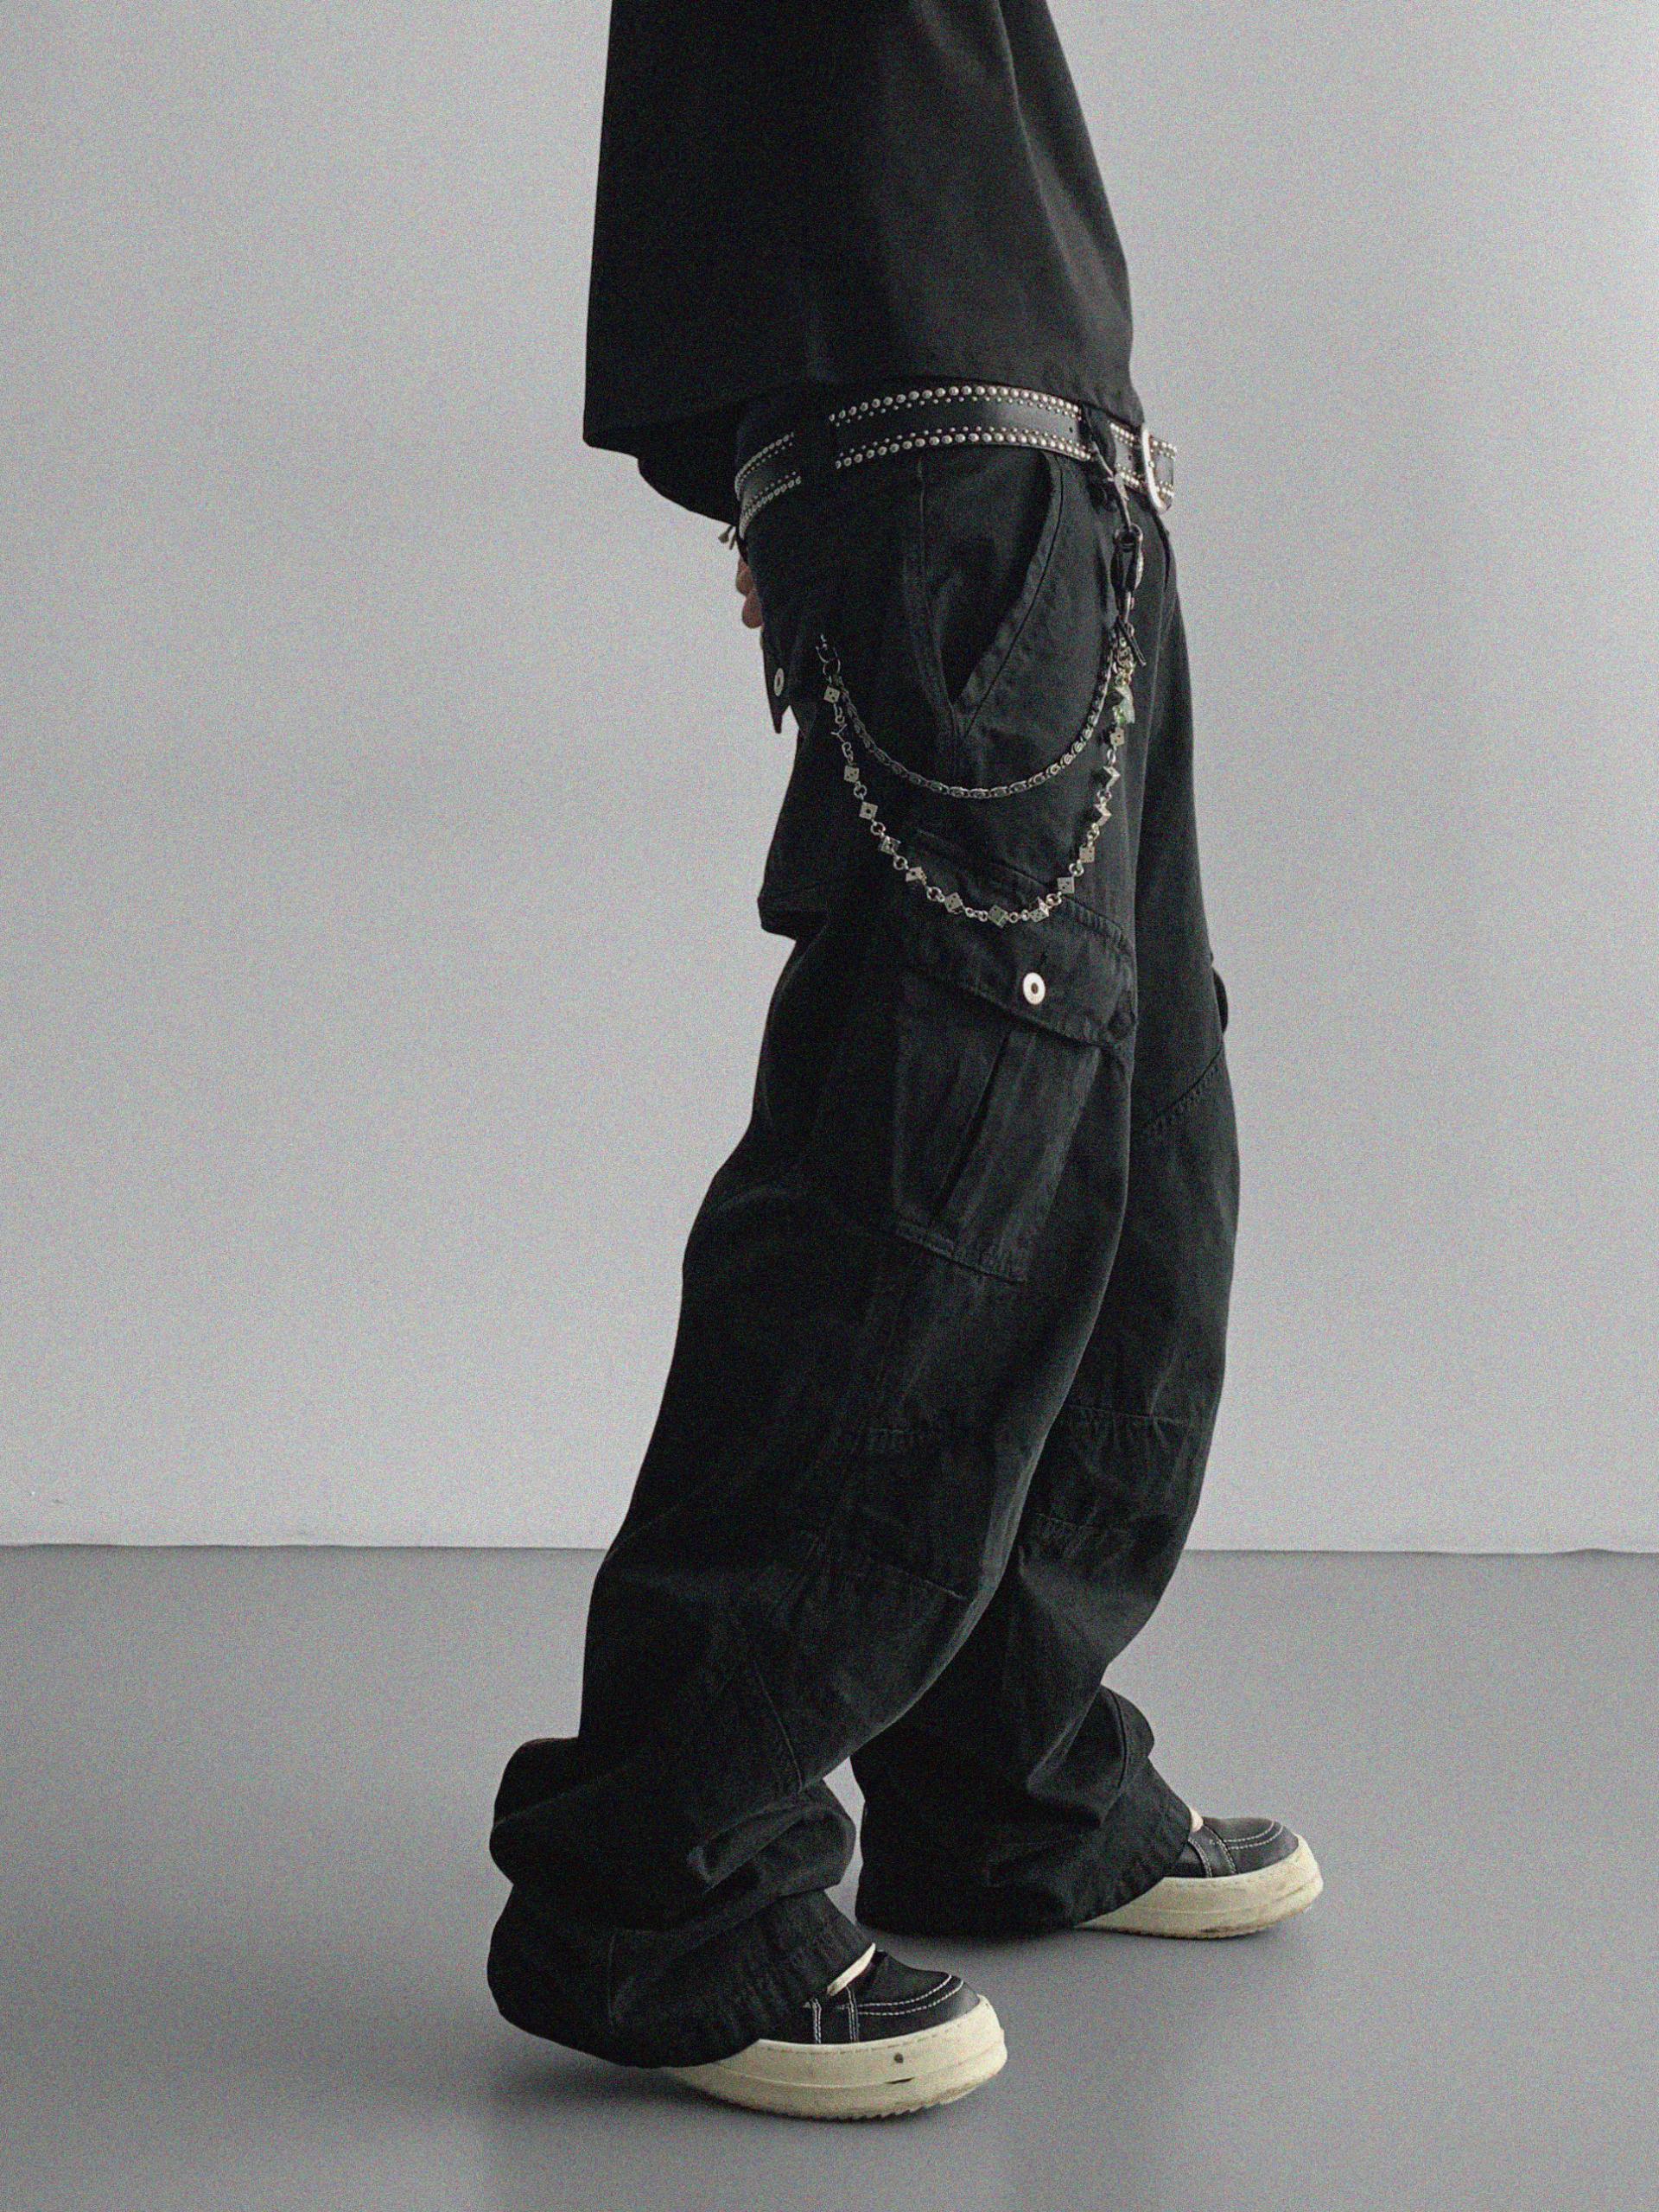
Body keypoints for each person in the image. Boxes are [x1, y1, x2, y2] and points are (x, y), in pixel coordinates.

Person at [486, 1, 1320, 2120]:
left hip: (1056, 459)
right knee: (928, 1163)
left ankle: (1002, 1776)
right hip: (950, 454)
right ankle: (661, 1884)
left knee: (1140, 1153)